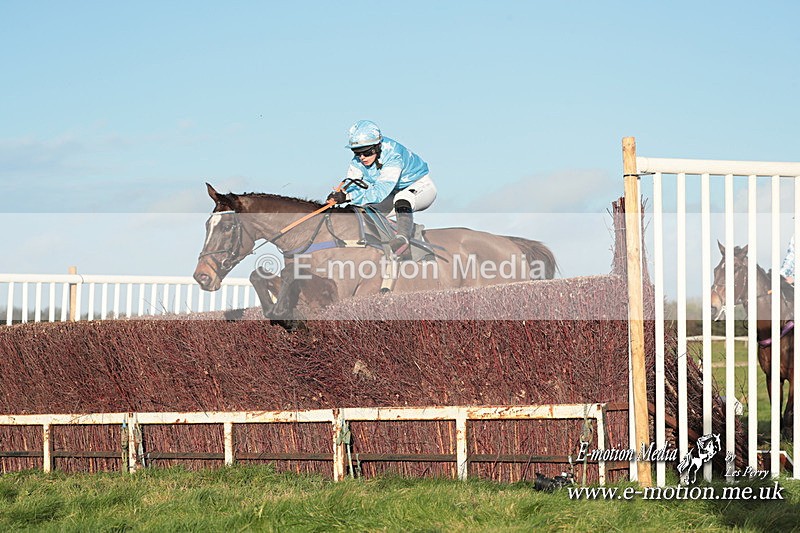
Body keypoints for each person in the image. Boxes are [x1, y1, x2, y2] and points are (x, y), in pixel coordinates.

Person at [327, 120, 437, 259]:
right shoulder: (357, 161)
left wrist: (348, 197)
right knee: (365, 209)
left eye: (366, 152)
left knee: (402, 198)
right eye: (357, 152)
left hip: (421, 187)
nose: (362, 157)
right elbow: (353, 184)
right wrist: (340, 194)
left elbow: (379, 192)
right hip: (392, 192)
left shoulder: (393, 155)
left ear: (377, 146)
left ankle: (406, 240)